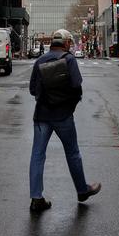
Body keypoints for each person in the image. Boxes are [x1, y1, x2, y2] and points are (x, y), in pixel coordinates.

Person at [28, 28, 100, 213]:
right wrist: (68, 105)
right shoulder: (69, 59)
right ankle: (82, 190)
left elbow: (32, 90)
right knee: (72, 153)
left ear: (52, 42)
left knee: (38, 155)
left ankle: (36, 199)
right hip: (63, 116)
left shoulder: (40, 61)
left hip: (42, 116)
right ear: (67, 43)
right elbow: (77, 86)